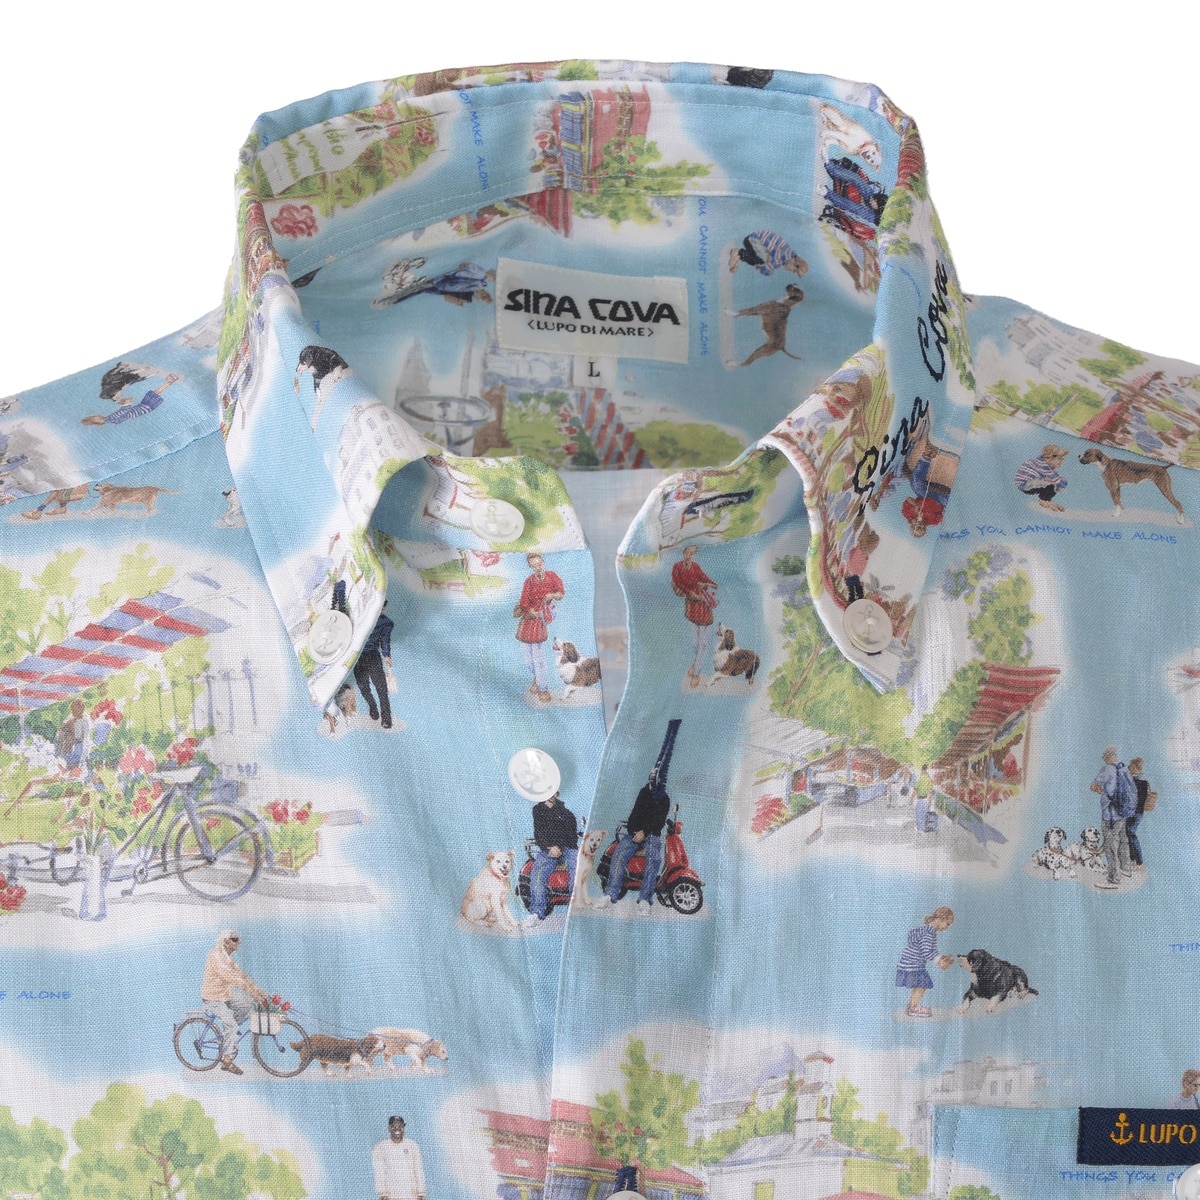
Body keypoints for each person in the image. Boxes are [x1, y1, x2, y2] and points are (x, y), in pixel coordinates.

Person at [606, 720, 681, 912]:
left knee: (654, 860)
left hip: (651, 835)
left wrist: (644, 833)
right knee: (619, 854)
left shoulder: (664, 799)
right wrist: (635, 832)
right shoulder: (643, 792)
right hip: (635, 832)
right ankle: (610, 893)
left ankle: (645, 899)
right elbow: (635, 815)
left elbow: (658, 823)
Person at [199, 929, 268, 1074]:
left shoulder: (227, 957)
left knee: (246, 1004)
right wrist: (252, 992)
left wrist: (257, 989)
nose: (239, 942)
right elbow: (232, 977)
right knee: (230, 1024)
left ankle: (230, 1035)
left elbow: (241, 975)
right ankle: (227, 1060)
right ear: (225, 941)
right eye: (235, 939)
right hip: (212, 997)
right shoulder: (216, 956)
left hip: (226, 995)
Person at [514, 552, 564, 702]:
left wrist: (551, 595)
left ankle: (543, 689)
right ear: (530, 567)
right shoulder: (529, 581)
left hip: (541, 620)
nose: (538, 567)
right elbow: (524, 601)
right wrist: (530, 611)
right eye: (534, 565)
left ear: (543, 561)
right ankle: (537, 677)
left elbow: (561, 593)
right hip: (528, 620)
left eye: (539, 564)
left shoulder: (552, 576)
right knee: (528, 660)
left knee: (539, 657)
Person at [1090, 746, 1138, 889]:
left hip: (1110, 814)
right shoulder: (1124, 768)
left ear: (1106, 756)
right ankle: (1126, 869)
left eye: (1104, 757)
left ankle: (1113, 879)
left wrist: (1100, 790)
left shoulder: (1107, 769)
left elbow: (1094, 785)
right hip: (1123, 812)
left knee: (1110, 846)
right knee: (1123, 840)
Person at [895, 906, 955, 1017]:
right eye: (947, 924)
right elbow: (926, 951)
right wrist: (939, 961)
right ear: (941, 919)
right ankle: (913, 1008)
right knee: (922, 985)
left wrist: (941, 957)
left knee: (919, 985)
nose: (947, 927)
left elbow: (931, 950)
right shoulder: (928, 934)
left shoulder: (926, 931)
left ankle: (911, 1006)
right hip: (914, 965)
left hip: (909, 963)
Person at [671, 544, 717, 687]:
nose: (689, 556)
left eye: (691, 554)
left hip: (703, 606)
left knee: (702, 644)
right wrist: (689, 592)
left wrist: (711, 584)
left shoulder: (696, 567)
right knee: (695, 643)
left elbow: (704, 577)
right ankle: (695, 664)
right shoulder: (677, 567)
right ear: (683, 553)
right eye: (687, 553)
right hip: (692, 606)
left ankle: (696, 674)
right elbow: (677, 582)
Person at [530, 790, 580, 920]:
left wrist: (560, 847)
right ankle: (537, 912)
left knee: (577, 867)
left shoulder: (567, 814)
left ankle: (573, 910)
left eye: (554, 793)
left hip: (567, 849)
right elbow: (539, 834)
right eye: (548, 792)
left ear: (557, 794)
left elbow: (572, 837)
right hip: (547, 849)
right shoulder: (538, 811)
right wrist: (549, 847)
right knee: (538, 872)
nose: (551, 796)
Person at [355, 600, 395, 729]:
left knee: (382, 689)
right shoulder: (361, 616)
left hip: (373, 656)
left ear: (384, 608)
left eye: (381, 608)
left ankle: (386, 719)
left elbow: (385, 640)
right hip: (357, 657)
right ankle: (372, 706)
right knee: (363, 687)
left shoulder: (386, 622)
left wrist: (386, 655)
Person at [373, 1115, 426, 1200]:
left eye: (400, 1126)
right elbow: (379, 1172)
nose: (397, 1129)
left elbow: (418, 1170)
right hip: (392, 1195)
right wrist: (383, 1194)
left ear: (403, 1128)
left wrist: (421, 1192)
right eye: (394, 1126)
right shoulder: (381, 1147)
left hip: (411, 1194)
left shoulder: (412, 1145)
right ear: (389, 1129)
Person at [1014, 445, 1070, 512]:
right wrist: (1062, 483)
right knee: (1051, 485)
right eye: (1059, 459)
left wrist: (1060, 481)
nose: (1061, 461)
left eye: (1062, 459)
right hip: (1025, 484)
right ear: (1048, 458)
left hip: (1030, 482)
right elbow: (1054, 478)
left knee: (1051, 484)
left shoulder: (1044, 464)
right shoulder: (1043, 465)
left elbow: (1055, 475)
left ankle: (1047, 501)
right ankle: (1043, 500)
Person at [1127, 756, 1154, 869]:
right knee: (1128, 834)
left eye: (1130, 766)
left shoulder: (1139, 781)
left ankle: (1138, 861)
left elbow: (1138, 800)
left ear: (1134, 767)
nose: (1128, 768)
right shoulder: (1139, 780)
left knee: (1130, 833)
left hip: (1135, 812)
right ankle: (1133, 860)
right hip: (1135, 812)